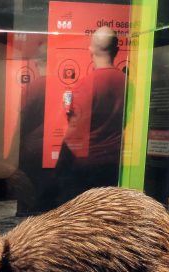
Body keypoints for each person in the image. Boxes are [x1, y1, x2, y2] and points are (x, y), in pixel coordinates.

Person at [55, 26, 126, 205]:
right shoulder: (127, 83)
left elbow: (74, 132)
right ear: (117, 50)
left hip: (86, 167)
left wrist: (61, 166)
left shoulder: (87, 84)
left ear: (90, 49)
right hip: (114, 164)